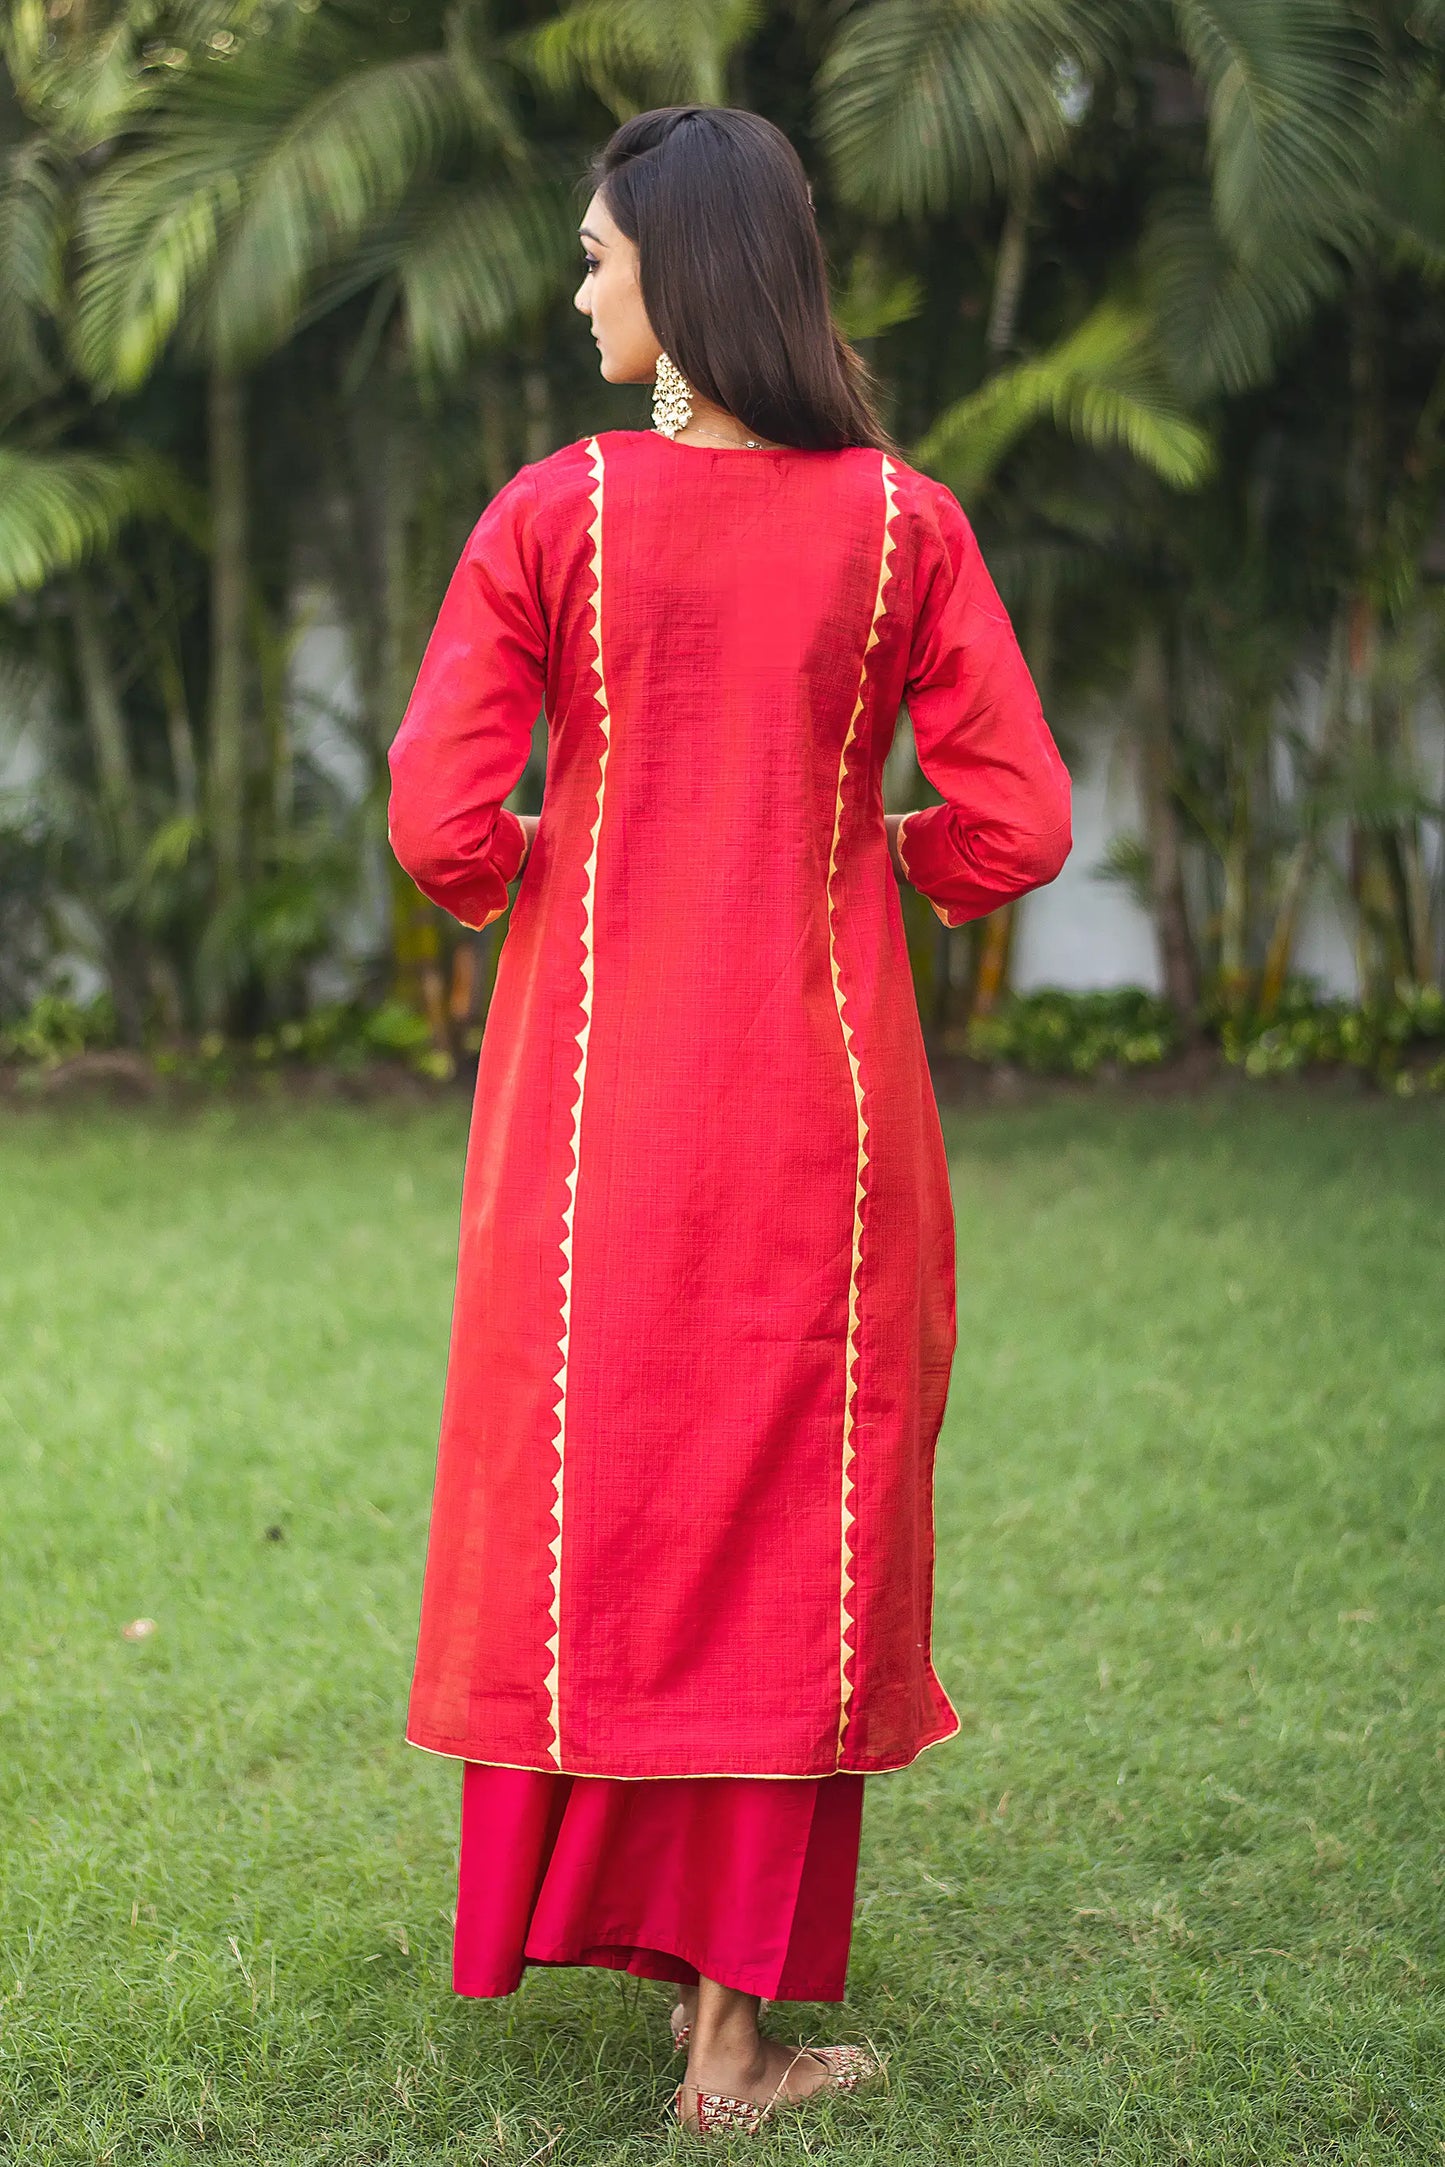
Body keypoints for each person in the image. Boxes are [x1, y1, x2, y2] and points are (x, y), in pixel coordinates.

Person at [386, 104, 1072, 2139]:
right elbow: (1021, 819)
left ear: (679, 282)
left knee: (615, 1505)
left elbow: (439, 818)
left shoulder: (554, 516)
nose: (578, 285)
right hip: (822, 1108)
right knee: (793, 1524)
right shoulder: (902, 527)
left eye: (599, 255)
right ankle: (731, 2032)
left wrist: (550, 877)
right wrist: (885, 865)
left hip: (593, 1118)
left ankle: (680, 1983)